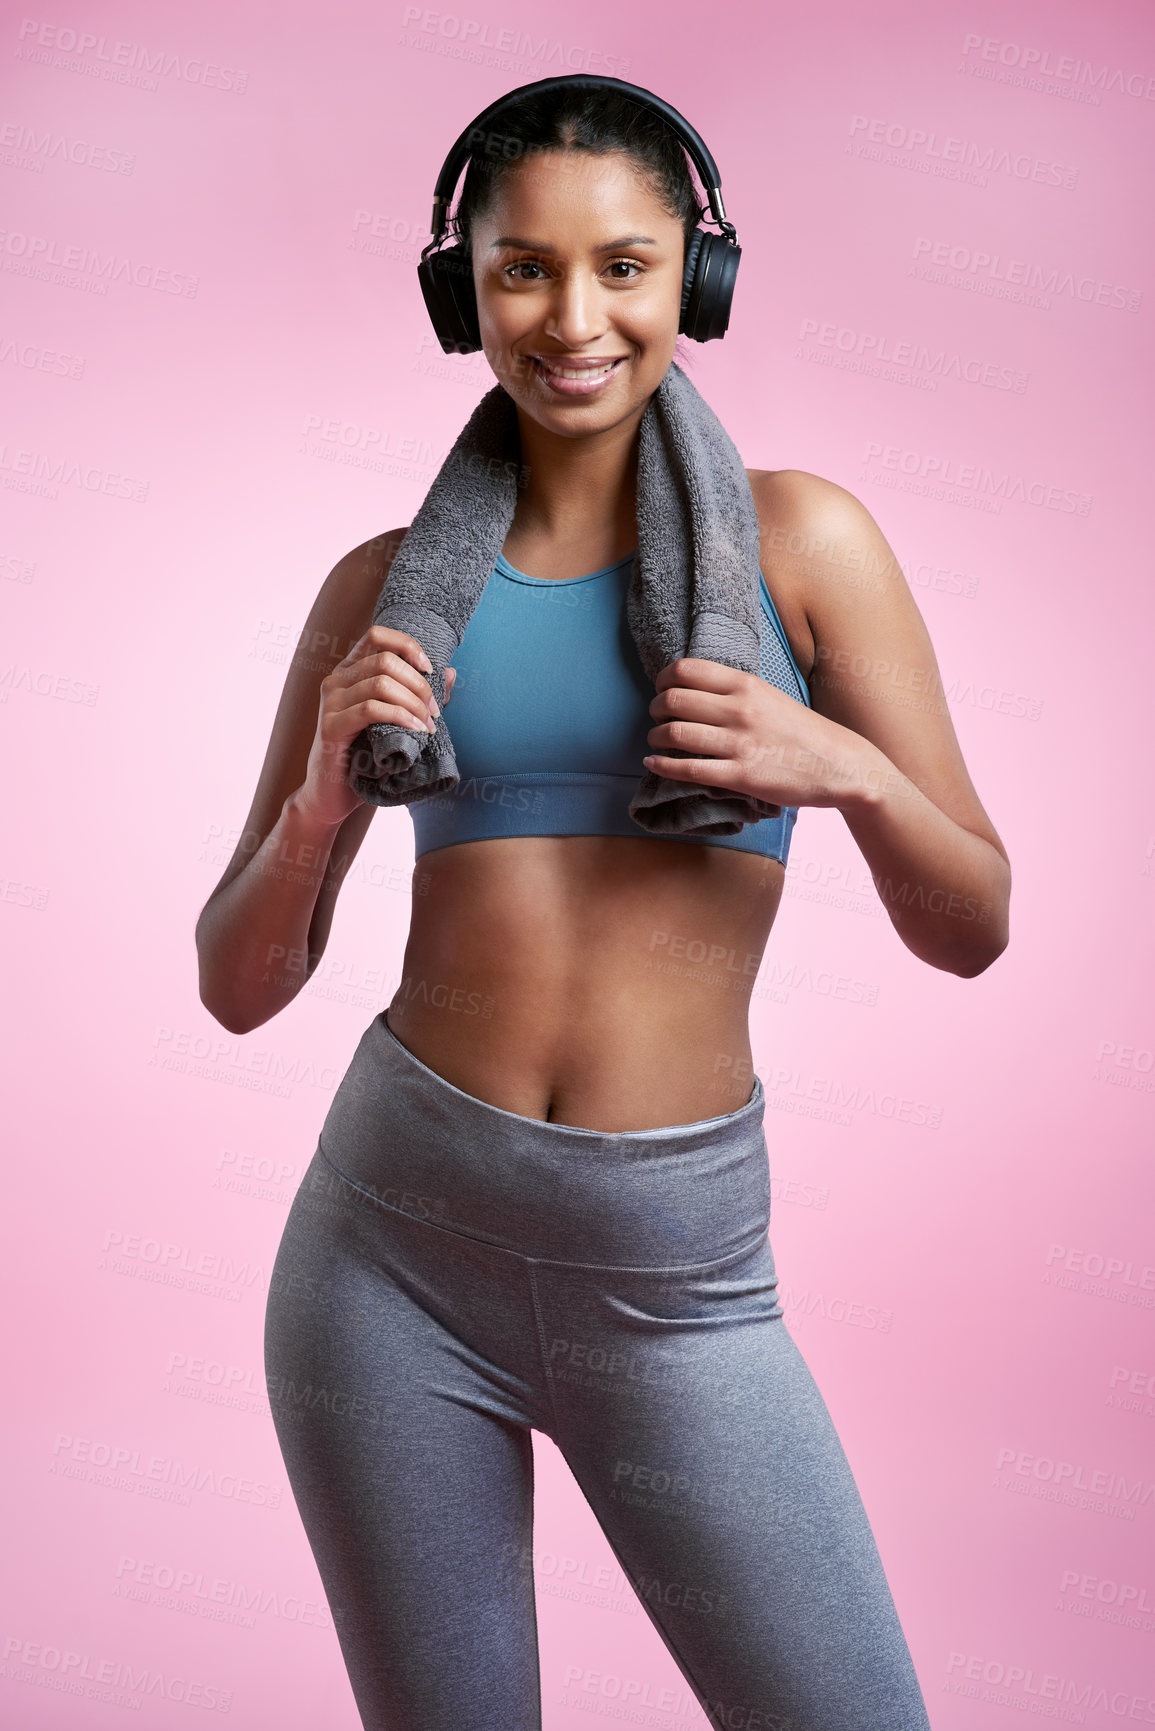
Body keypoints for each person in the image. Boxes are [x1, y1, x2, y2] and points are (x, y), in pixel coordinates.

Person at [196, 75, 1009, 1731]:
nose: (574, 320)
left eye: (625, 267)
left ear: (692, 279)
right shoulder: (377, 593)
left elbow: (972, 919)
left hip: (674, 1276)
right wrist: (311, 815)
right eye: (522, 270)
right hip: (389, 1253)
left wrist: (843, 767)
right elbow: (239, 981)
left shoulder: (804, 544)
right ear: (462, 288)